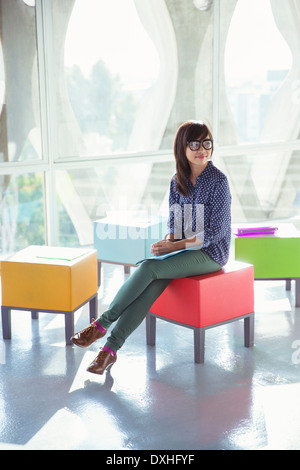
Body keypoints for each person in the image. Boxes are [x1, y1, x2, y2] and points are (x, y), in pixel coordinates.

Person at [71, 120, 231, 374]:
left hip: (210, 253)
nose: (203, 149)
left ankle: (100, 326)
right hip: (184, 249)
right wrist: (168, 242)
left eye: (207, 143)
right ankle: (109, 352)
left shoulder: (218, 182)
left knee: (149, 269)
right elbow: (175, 223)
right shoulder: (177, 181)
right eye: (195, 143)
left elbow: (213, 234)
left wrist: (174, 246)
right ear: (183, 148)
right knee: (153, 280)